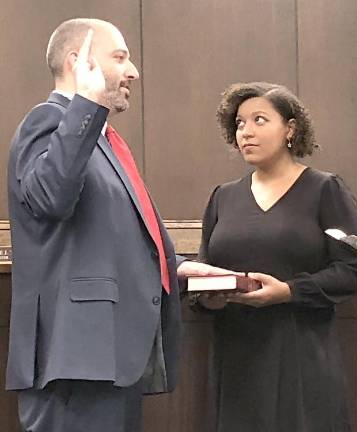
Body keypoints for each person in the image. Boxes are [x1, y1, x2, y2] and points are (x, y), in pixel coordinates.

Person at [6, 18, 224, 432]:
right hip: (74, 359)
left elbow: (104, 236)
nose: (133, 72)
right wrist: (87, 106)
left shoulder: (100, 139)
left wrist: (171, 268)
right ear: (79, 61)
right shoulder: (47, 121)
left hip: (108, 357)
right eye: (120, 57)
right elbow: (50, 198)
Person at [197, 82, 357, 431]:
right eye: (240, 123)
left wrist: (288, 291)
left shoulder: (325, 189)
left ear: (290, 128)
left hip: (300, 351)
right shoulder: (223, 198)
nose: (246, 131)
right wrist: (207, 299)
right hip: (236, 356)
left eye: (260, 120)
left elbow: (354, 270)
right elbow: (203, 272)